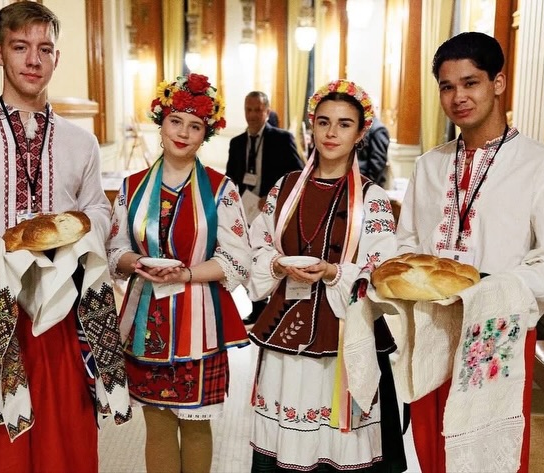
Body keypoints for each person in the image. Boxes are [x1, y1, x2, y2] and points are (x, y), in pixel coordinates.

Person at [0, 3, 130, 472]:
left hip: (64, 311)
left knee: (65, 442)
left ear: (57, 57)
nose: (33, 60)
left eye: (45, 49)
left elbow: (99, 208)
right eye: (20, 47)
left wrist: (75, 235)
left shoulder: (80, 141)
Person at [396, 32, 544, 472]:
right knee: (432, 449)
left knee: (488, 453)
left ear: (498, 83)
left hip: (497, 332)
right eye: (447, 86)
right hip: (432, 327)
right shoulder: (429, 165)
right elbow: (405, 246)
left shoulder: (540, 166)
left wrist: (486, 287)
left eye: (470, 83)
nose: (458, 97)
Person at [246, 79, 406, 472]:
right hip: (286, 334)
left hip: (344, 337)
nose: (332, 133)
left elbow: (381, 272)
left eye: (344, 124)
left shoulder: (372, 199)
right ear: (311, 127)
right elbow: (257, 245)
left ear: (360, 133)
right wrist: (275, 264)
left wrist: (334, 272)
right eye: (323, 122)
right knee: (286, 447)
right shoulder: (285, 188)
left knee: (338, 447)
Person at [106, 73, 251, 473]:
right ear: (161, 123)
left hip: (199, 323)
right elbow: (114, 248)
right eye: (176, 121)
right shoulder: (131, 187)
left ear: (206, 134)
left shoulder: (221, 189)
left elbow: (238, 259)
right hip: (146, 322)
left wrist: (187, 274)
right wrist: (135, 263)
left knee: (197, 425)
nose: (183, 133)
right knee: (157, 425)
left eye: (195, 126)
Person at [226, 91, 303, 325]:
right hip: (246, 211)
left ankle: (276, 307)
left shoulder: (282, 139)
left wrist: (272, 196)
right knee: (249, 258)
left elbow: (297, 175)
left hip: (272, 212)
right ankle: (257, 308)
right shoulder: (237, 143)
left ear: (267, 112)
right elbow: (230, 179)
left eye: (258, 110)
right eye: (248, 109)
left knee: (273, 259)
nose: (252, 115)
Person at [357, 115, 389, 187]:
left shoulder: (378, 129)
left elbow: (378, 162)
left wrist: (368, 185)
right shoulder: (364, 126)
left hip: (367, 183)